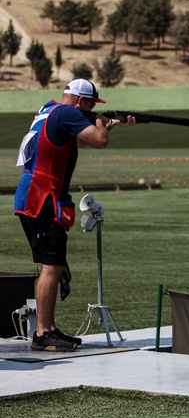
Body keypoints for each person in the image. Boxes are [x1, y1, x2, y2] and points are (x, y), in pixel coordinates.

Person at [14, 78, 135, 351]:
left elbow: (74, 143)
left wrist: (114, 123)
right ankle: (43, 333)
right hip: (41, 197)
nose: (92, 108)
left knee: (52, 263)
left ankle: (49, 329)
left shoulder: (50, 109)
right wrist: (102, 123)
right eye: (91, 104)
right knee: (52, 265)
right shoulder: (68, 112)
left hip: (35, 195)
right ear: (80, 102)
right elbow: (99, 140)